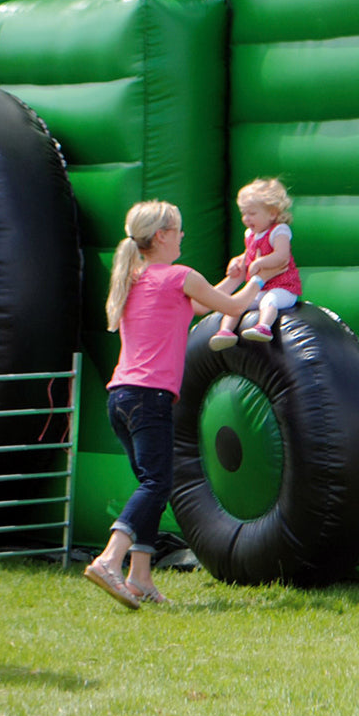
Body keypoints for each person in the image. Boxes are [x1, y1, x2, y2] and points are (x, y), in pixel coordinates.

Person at [86, 200, 263, 609]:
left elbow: (201, 305)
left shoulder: (137, 278)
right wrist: (262, 278)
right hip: (150, 398)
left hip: (121, 399)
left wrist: (232, 277)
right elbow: (233, 309)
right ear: (162, 235)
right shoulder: (179, 276)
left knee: (153, 484)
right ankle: (110, 559)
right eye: (178, 229)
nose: (183, 236)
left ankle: (140, 577)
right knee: (157, 484)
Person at [210, 178, 301, 349]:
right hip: (261, 287)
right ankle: (225, 332)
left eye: (252, 213)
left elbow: (282, 256)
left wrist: (260, 262)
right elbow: (249, 254)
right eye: (244, 213)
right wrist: (237, 261)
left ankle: (264, 327)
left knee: (270, 300)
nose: (246, 218)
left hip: (283, 287)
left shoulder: (279, 230)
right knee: (236, 303)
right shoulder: (250, 234)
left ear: (272, 213)